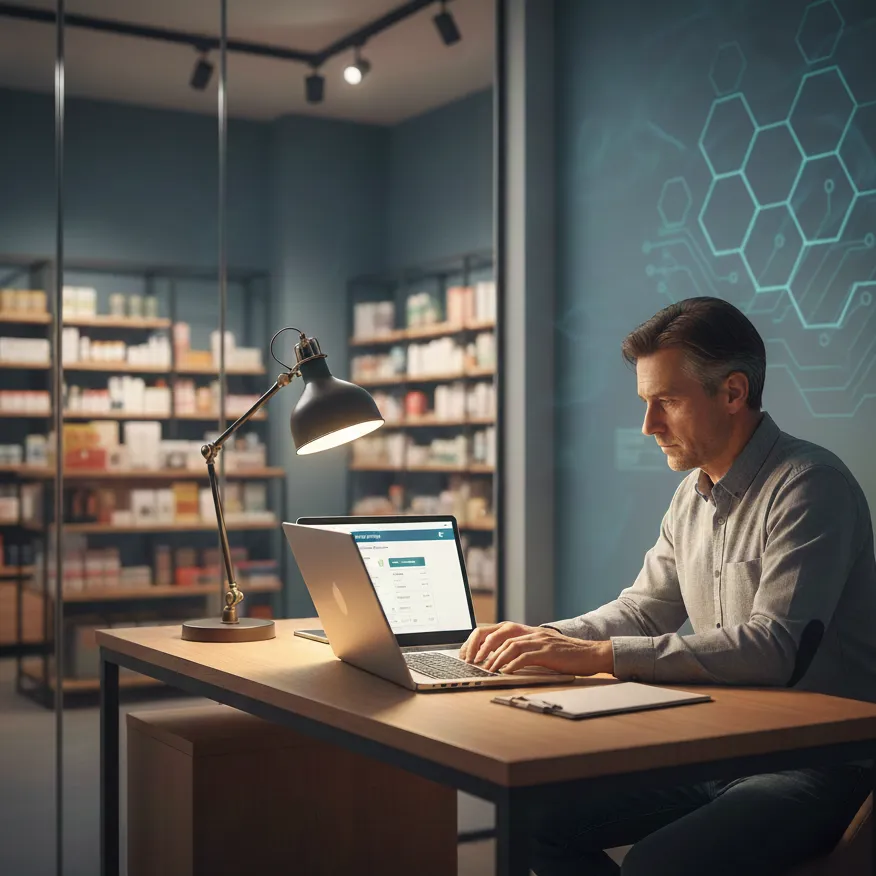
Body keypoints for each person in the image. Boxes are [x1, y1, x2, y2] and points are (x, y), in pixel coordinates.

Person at [460, 297, 876, 876]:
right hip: (724, 749)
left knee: (658, 863)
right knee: (536, 819)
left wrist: (595, 656)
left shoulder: (810, 487)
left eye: (668, 402)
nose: (648, 425)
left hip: (822, 765)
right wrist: (541, 640)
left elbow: (776, 648)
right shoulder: (692, 495)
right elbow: (641, 610)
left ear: (733, 393)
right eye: (645, 403)